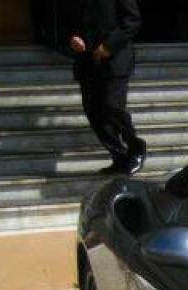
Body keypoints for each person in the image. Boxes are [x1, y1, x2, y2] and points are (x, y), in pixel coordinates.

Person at [65, 0, 146, 175]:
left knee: (113, 106)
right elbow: (70, 22)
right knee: (93, 112)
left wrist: (109, 46)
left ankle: (135, 148)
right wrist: (74, 38)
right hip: (87, 62)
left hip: (115, 59)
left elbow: (132, 20)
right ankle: (119, 157)